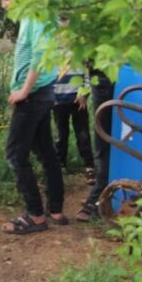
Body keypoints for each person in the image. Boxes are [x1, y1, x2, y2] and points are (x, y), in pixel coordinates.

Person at [0, 0, 66, 234]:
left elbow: (39, 55)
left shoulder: (36, 16)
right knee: (45, 151)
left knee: (16, 154)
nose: (4, 5)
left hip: (35, 94)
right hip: (43, 91)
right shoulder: (37, 16)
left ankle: (35, 215)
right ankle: (56, 209)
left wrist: (24, 91)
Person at [76, 69, 115, 221]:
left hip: (108, 75)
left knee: (104, 141)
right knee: (104, 139)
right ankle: (102, 190)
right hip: (103, 75)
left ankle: (99, 196)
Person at [53, 68, 96, 185]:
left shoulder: (79, 53)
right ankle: (60, 166)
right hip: (59, 101)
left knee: (83, 134)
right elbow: (47, 77)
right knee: (61, 135)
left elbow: (87, 76)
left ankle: (89, 167)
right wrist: (52, 97)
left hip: (78, 101)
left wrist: (84, 94)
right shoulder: (52, 53)